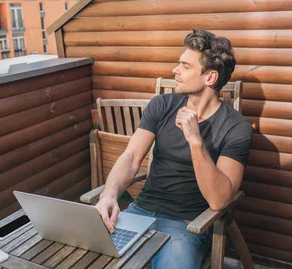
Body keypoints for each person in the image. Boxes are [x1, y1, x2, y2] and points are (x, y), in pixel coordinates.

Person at [95, 29, 253, 269]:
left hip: (187, 225)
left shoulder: (236, 128)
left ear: (209, 78)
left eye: (185, 66)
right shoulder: (162, 105)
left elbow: (220, 200)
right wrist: (109, 194)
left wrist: (195, 140)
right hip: (140, 212)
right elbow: (130, 157)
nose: (174, 70)